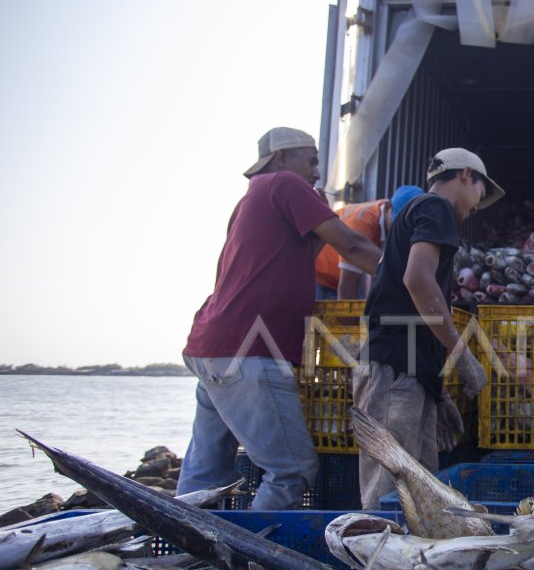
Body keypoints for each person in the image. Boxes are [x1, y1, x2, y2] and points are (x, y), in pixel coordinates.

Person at [178, 127, 383, 510]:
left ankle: (187, 544)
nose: (317, 172)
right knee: (291, 471)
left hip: (212, 347)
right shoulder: (284, 183)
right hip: (251, 351)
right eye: (312, 160)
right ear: (283, 158)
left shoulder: (250, 201)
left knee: (207, 472)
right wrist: (403, 277)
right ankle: (255, 556)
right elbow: (351, 244)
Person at [356, 148, 502, 508]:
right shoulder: (435, 207)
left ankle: (407, 563)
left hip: (410, 371)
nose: (477, 206)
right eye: (482, 192)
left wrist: (439, 394)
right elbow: (418, 281)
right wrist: (460, 352)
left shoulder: (420, 212)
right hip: (394, 366)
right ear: (466, 175)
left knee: (419, 492)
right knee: (387, 491)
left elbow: (419, 309)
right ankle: (374, 562)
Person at [313, 185, 424, 299]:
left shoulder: (388, 210)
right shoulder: (361, 223)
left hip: (336, 279)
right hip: (318, 276)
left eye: (407, 228)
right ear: (387, 207)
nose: (401, 232)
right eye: (398, 224)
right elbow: (346, 288)